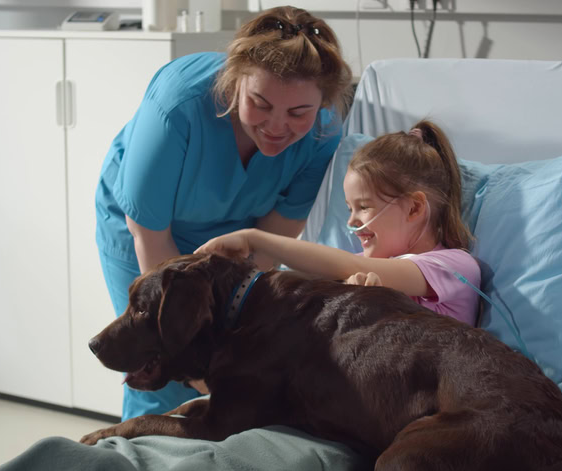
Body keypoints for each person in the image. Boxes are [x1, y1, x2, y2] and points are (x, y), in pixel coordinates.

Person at [94, 6, 353, 421]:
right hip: (149, 229)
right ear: (234, 84)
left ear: (321, 104)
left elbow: (268, 247)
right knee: (159, 361)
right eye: (260, 104)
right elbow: (152, 239)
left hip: (238, 237)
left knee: (230, 357)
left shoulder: (323, 134)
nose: (276, 126)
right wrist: (193, 364)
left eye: (298, 113)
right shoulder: (179, 105)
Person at [197, 120, 480, 326]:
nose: (351, 221)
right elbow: (295, 282)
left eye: (364, 207)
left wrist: (253, 238)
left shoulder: (453, 266)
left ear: (415, 207)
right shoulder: (361, 273)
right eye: (348, 208)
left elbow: (351, 266)